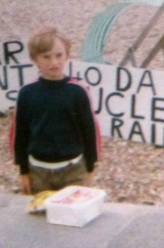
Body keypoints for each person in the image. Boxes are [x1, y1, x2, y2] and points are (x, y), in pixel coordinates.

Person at [12, 25, 100, 195]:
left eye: (59, 55)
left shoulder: (78, 91)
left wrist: (90, 169)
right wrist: (23, 171)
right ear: (35, 59)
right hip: (38, 172)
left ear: (67, 55)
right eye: (46, 57)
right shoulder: (27, 93)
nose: (54, 62)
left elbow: (89, 131)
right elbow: (20, 134)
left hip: (73, 170)